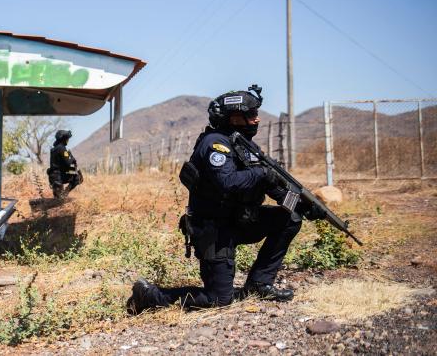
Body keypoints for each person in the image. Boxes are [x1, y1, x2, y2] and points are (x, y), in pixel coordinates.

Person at [126, 84, 324, 314]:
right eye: (250, 115)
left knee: (290, 219)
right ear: (233, 118)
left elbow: (272, 186)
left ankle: (259, 284)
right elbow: (227, 182)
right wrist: (260, 173)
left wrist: (300, 206)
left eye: (256, 114)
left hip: (239, 221)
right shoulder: (215, 144)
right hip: (213, 229)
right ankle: (149, 295)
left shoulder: (244, 145)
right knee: (219, 299)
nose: (257, 119)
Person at [47, 130, 83, 199]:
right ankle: (65, 193)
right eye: (67, 139)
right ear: (63, 139)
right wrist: (72, 158)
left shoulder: (53, 149)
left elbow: (59, 164)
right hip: (59, 177)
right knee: (78, 177)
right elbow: (68, 163)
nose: (68, 140)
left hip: (53, 177)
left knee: (57, 199)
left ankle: (62, 194)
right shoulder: (62, 148)